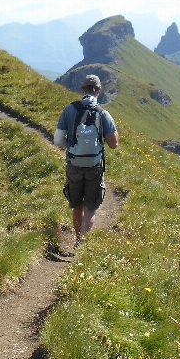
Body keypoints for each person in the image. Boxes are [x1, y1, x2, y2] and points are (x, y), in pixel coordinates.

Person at [53, 74, 119, 246]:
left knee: (77, 206)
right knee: (90, 209)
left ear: (82, 90)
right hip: (94, 166)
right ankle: (81, 244)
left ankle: (77, 237)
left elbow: (58, 141)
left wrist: (73, 147)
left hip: (74, 164)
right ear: (99, 91)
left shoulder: (69, 110)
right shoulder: (103, 113)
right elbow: (113, 144)